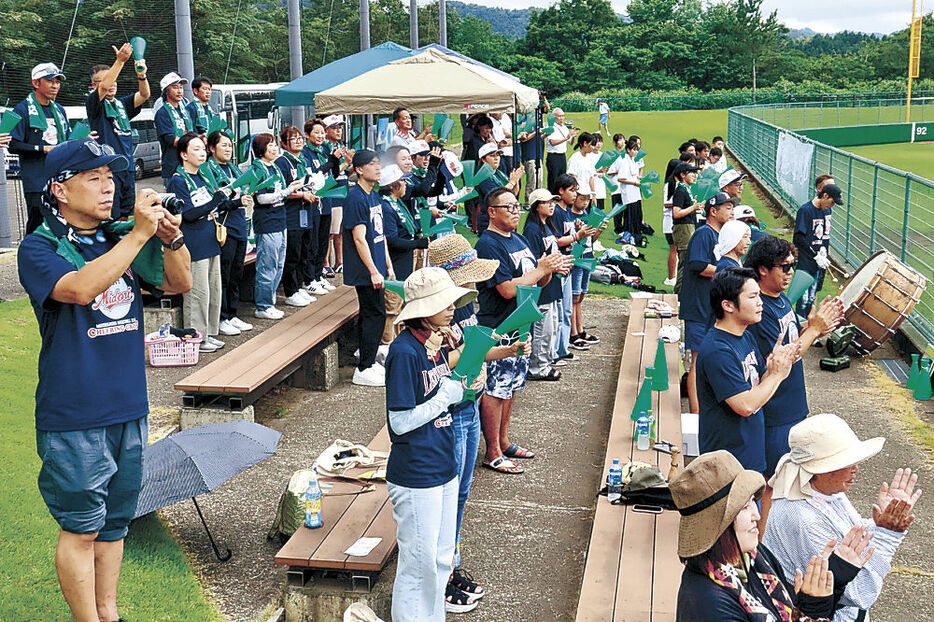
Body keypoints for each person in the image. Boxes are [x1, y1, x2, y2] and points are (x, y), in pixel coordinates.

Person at [17, 138, 191, 622]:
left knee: (115, 526)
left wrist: (171, 238)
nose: (107, 187)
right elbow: (76, 289)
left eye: (111, 177)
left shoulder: (116, 235)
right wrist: (136, 236)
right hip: (74, 411)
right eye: (92, 178)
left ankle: (109, 613)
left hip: (129, 405)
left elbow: (179, 285)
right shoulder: (39, 245)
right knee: (81, 527)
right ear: (59, 189)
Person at [427, 233, 523, 606]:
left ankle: (453, 561)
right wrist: (473, 350)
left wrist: (506, 348)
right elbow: (439, 361)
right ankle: (442, 574)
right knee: (447, 495)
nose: (475, 280)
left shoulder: (464, 306)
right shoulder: (433, 314)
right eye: (469, 273)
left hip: (470, 404)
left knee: (462, 493)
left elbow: (477, 353)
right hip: (448, 411)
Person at [671, 450, 868, 622]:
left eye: (752, 502)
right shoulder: (710, 605)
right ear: (718, 525)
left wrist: (830, 583)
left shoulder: (753, 557)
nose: (757, 515)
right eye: (744, 507)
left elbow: (790, 613)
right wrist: (813, 611)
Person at [384, 267, 478, 619]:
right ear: (423, 309)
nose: (453, 307)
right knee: (418, 566)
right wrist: (445, 398)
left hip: (442, 466)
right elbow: (399, 421)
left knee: (440, 561)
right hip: (416, 473)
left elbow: (435, 398)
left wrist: (457, 393)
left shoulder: (433, 344)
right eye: (444, 302)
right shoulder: (405, 351)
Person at [765, 413, 923, 622]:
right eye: (846, 462)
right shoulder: (801, 517)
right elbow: (858, 593)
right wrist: (887, 534)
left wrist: (883, 520)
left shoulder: (824, 492)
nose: (856, 467)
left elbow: (852, 541)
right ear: (820, 469)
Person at [475, 188, 565, 473]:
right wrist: (541, 269)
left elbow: (536, 281)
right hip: (500, 326)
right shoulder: (488, 244)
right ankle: (492, 452)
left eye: (517, 206)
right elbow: (506, 289)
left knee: (512, 387)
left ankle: (503, 441)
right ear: (492, 211)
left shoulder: (519, 239)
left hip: (521, 325)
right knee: (495, 389)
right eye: (508, 207)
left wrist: (550, 268)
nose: (515, 211)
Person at [744, 236, 844, 478]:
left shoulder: (781, 297)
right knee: (773, 480)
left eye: (792, 266)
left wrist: (810, 327)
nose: (790, 273)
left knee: (792, 478)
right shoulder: (760, 308)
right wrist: (814, 330)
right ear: (763, 269)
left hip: (793, 404)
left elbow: (790, 341)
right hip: (776, 411)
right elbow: (783, 357)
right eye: (784, 267)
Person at [696, 267, 797, 474]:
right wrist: (778, 375)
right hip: (727, 462)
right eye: (752, 297)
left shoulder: (745, 336)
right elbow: (745, 405)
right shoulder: (718, 350)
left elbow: (758, 382)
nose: (760, 303)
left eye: (759, 295)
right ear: (728, 305)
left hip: (750, 453)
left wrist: (773, 366)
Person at [167, 132, 238, 353]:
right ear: (183, 154)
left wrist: (231, 198)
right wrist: (216, 200)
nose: (202, 153)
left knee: (213, 291)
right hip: (194, 243)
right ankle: (195, 336)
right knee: (197, 293)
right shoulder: (178, 180)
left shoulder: (203, 176)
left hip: (210, 238)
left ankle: (209, 333)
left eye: (203, 149)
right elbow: (187, 214)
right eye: (196, 149)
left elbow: (215, 206)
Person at [344, 149, 395, 386]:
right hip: (365, 269)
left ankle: (368, 359)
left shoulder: (374, 196)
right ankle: (364, 367)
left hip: (377, 265)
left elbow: (380, 235)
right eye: (372, 164)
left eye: (378, 164)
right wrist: (373, 270)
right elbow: (359, 238)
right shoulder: (356, 198)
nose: (378, 167)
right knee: (375, 313)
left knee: (373, 314)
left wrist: (387, 264)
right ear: (359, 170)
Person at [681, 192, 736, 413]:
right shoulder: (705, 233)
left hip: (709, 307)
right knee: (696, 361)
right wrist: (729, 272)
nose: (732, 212)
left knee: (706, 360)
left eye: (732, 207)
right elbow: (698, 264)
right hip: (698, 307)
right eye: (728, 208)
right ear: (713, 211)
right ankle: (696, 413)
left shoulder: (720, 235)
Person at [85, 43, 150, 219]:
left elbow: (144, 95)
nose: (112, 83)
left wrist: (142, 76)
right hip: (108, 169)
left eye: (114, 78)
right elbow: (104, 88)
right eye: (106, 79)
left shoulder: (121, 104)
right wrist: (120, 61)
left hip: (127, 168)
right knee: (110, 215)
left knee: (126, 215)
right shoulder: (94, 104)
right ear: (94, 84)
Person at [9, 63, 72, 235]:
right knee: (38, 225)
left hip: (60, 179)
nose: (55, 86)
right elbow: (13, 145)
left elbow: (67, 140)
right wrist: (43, 149)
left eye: (58, 82)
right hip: (36, 181)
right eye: (50, 81)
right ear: (36, 83)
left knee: (60, 223)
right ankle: (29, 257)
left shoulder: (59, 110)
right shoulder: (22, 109)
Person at [205, 130, 255, 337]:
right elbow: (216, 200)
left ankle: (232, 314)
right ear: (212, 148)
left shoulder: (233, 167)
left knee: (236, 273)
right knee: (224, 274)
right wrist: (236, 201)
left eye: (230, 145)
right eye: (223, 145)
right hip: (224, 227)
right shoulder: (209, 169)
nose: (228, 148)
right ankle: (222, 316)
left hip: (239, 224)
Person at [250, 132, 303, 320]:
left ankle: (270, 301)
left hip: (281, 219)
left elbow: (281, 192)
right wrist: (288, 190)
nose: (274, 148)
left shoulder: (275, 167)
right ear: (260, 149)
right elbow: (261, 197)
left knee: (279, 264)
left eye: (274, 145)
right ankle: (263, 305)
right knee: (267, 265)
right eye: (270, 145)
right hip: (267, 222)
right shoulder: (257, 169)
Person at [380, 163, 428, 347]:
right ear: (393, 185)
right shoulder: (386, 206)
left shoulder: (397, 201)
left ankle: (398, 344)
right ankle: (387, 349)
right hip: (394, 266)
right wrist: (417, 243)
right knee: (392, 309)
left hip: (405, 263)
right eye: (403, 182)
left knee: (402, 308)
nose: (407, 185)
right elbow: (391, 240)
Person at [521, 188, 565, 381]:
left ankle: (545, 362)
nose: (551, 205)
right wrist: (555, 268)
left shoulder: (547, 226)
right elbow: (534, 263)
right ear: (536, 206)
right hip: (542, 287)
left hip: (552, 285)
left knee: (551, 327)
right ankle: (538, 367)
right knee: (541, 329)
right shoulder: (532, 229)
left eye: (553, 201)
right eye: (547, 202)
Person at [277, 125, 319, 308]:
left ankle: (300, 286)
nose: (299, 141)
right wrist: (301, 194)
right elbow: (283, 191)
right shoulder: (283, 162)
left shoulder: (301, 160)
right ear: (284, 144)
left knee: (304, 250)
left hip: (306, 211)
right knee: (292, 253)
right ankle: (290, 290)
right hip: (292, 214)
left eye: (300, 138)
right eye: (293, 139)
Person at [551, 174, 593, 361]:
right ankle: (559, 349)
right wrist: (577, 236)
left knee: (567, 309)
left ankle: (563, 347)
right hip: (562, 265)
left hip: (569, 263)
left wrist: (581, 232)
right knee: (560, 311)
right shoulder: (558, 212)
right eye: (572, 190)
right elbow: (557, 240)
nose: (575, 195)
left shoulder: (567, 211)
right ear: (561, 191)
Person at [302, 118, 341, 295]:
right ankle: (309, 278)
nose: (320, 136)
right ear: (307, 135)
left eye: (322, 132)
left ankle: (318, 275)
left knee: (324, 239)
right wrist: (331, 160)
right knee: (313, 241)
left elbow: (334, 172)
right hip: (313, 202)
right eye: (316, 132)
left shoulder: (324, 150)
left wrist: (337, 161)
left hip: (327, 200)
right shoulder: (305, 153)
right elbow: (313, 176)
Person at [794, 182, 842, 318]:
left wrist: (824, 252)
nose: (831, 206)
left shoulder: (827, 210)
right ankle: (799, 327)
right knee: (803, 299)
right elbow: (798, 238)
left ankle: (809, 325)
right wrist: (814, 255)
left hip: (820, 261)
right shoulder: (806, 210)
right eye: (831, 202)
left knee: (812, 297)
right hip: (806, 261)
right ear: (825, 196)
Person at [569, 190, 604, 349]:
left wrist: (599, 230)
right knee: (574, 297)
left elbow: (592, 239)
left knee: (581, 295)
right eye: (582, 199)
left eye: (587, 200)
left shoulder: (588, 216)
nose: (584, 203)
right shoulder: (570, 216)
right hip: (578, 259)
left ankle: (580, 329)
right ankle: (573, 333)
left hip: (588, 257)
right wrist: (578, 232)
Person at [323, 114, 353, 276]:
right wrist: (346, 162)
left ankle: (340, 261)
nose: (338, 130)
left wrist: (353, 163)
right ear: (326, 131)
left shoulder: (341, 146)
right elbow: (330, 174)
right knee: (331, 231)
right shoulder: (326, 148)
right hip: (332, 194)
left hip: (344, 191)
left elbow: (347, 172)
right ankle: (326, 262)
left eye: (340, 127)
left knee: (341, 230)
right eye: (334, 128)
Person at [154, 72, 193, 189]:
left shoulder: (186, 111)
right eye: (175, 87)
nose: (179, 91)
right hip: (173, 166)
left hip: (189, 164)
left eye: (181, 87)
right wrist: (194, 143)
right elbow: (171, 139)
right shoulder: (162, 113)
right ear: (166, 91)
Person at [474, 142, 523, 234]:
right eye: (492, 156)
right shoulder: (482, 176)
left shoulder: (499, 173)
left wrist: (516, 181)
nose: (496, 158)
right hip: (489, 221)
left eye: (498, 155)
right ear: (483, 159)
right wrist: (512, 181)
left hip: (503, 218)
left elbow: (513, 194)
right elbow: (498, 196)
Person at [670, 162, 702, 294]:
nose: (695, 176)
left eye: (696, 173)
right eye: (692, 173)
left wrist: (696, 209)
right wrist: (693, 208)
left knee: (688, 260)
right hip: (683, 229)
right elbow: (676, 213)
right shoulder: (680, 191)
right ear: (683, 175)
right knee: (684, 261)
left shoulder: (686, 190)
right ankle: (679, 294)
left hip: (688, 226)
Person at [614, 136, 644, 238]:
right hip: (628, 192)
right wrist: (634, 182)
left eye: (637, 150)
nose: (635, 152)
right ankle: (629, 233)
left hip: (635, 191)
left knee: (637, 213)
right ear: (628, 150)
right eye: (633, 150)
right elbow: (620, 178)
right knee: (630, 214)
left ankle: (636, 232)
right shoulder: (625, 161)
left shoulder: (633, 161)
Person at [545, 108, 576, 192]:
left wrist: (573, 136)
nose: (562, 118)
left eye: (563, 116)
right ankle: (552, 196)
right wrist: (566, 138)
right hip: (553, 156)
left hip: (562, 155)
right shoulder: (551, 127)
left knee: (562, 179)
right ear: (555, 117)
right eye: (559, 116)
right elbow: (552, 142)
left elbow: (570, 143)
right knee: (553, 179)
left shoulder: (564, 127)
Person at [567, 132, 599, 198]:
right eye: (592, 144)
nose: (593, 147)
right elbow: (573, 176)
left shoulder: (590, 158)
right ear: (585, 143)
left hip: (587, 193)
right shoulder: (575, 158)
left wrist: (593, 194)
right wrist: (577, 192)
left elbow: (591, 177)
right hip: (579, 193)